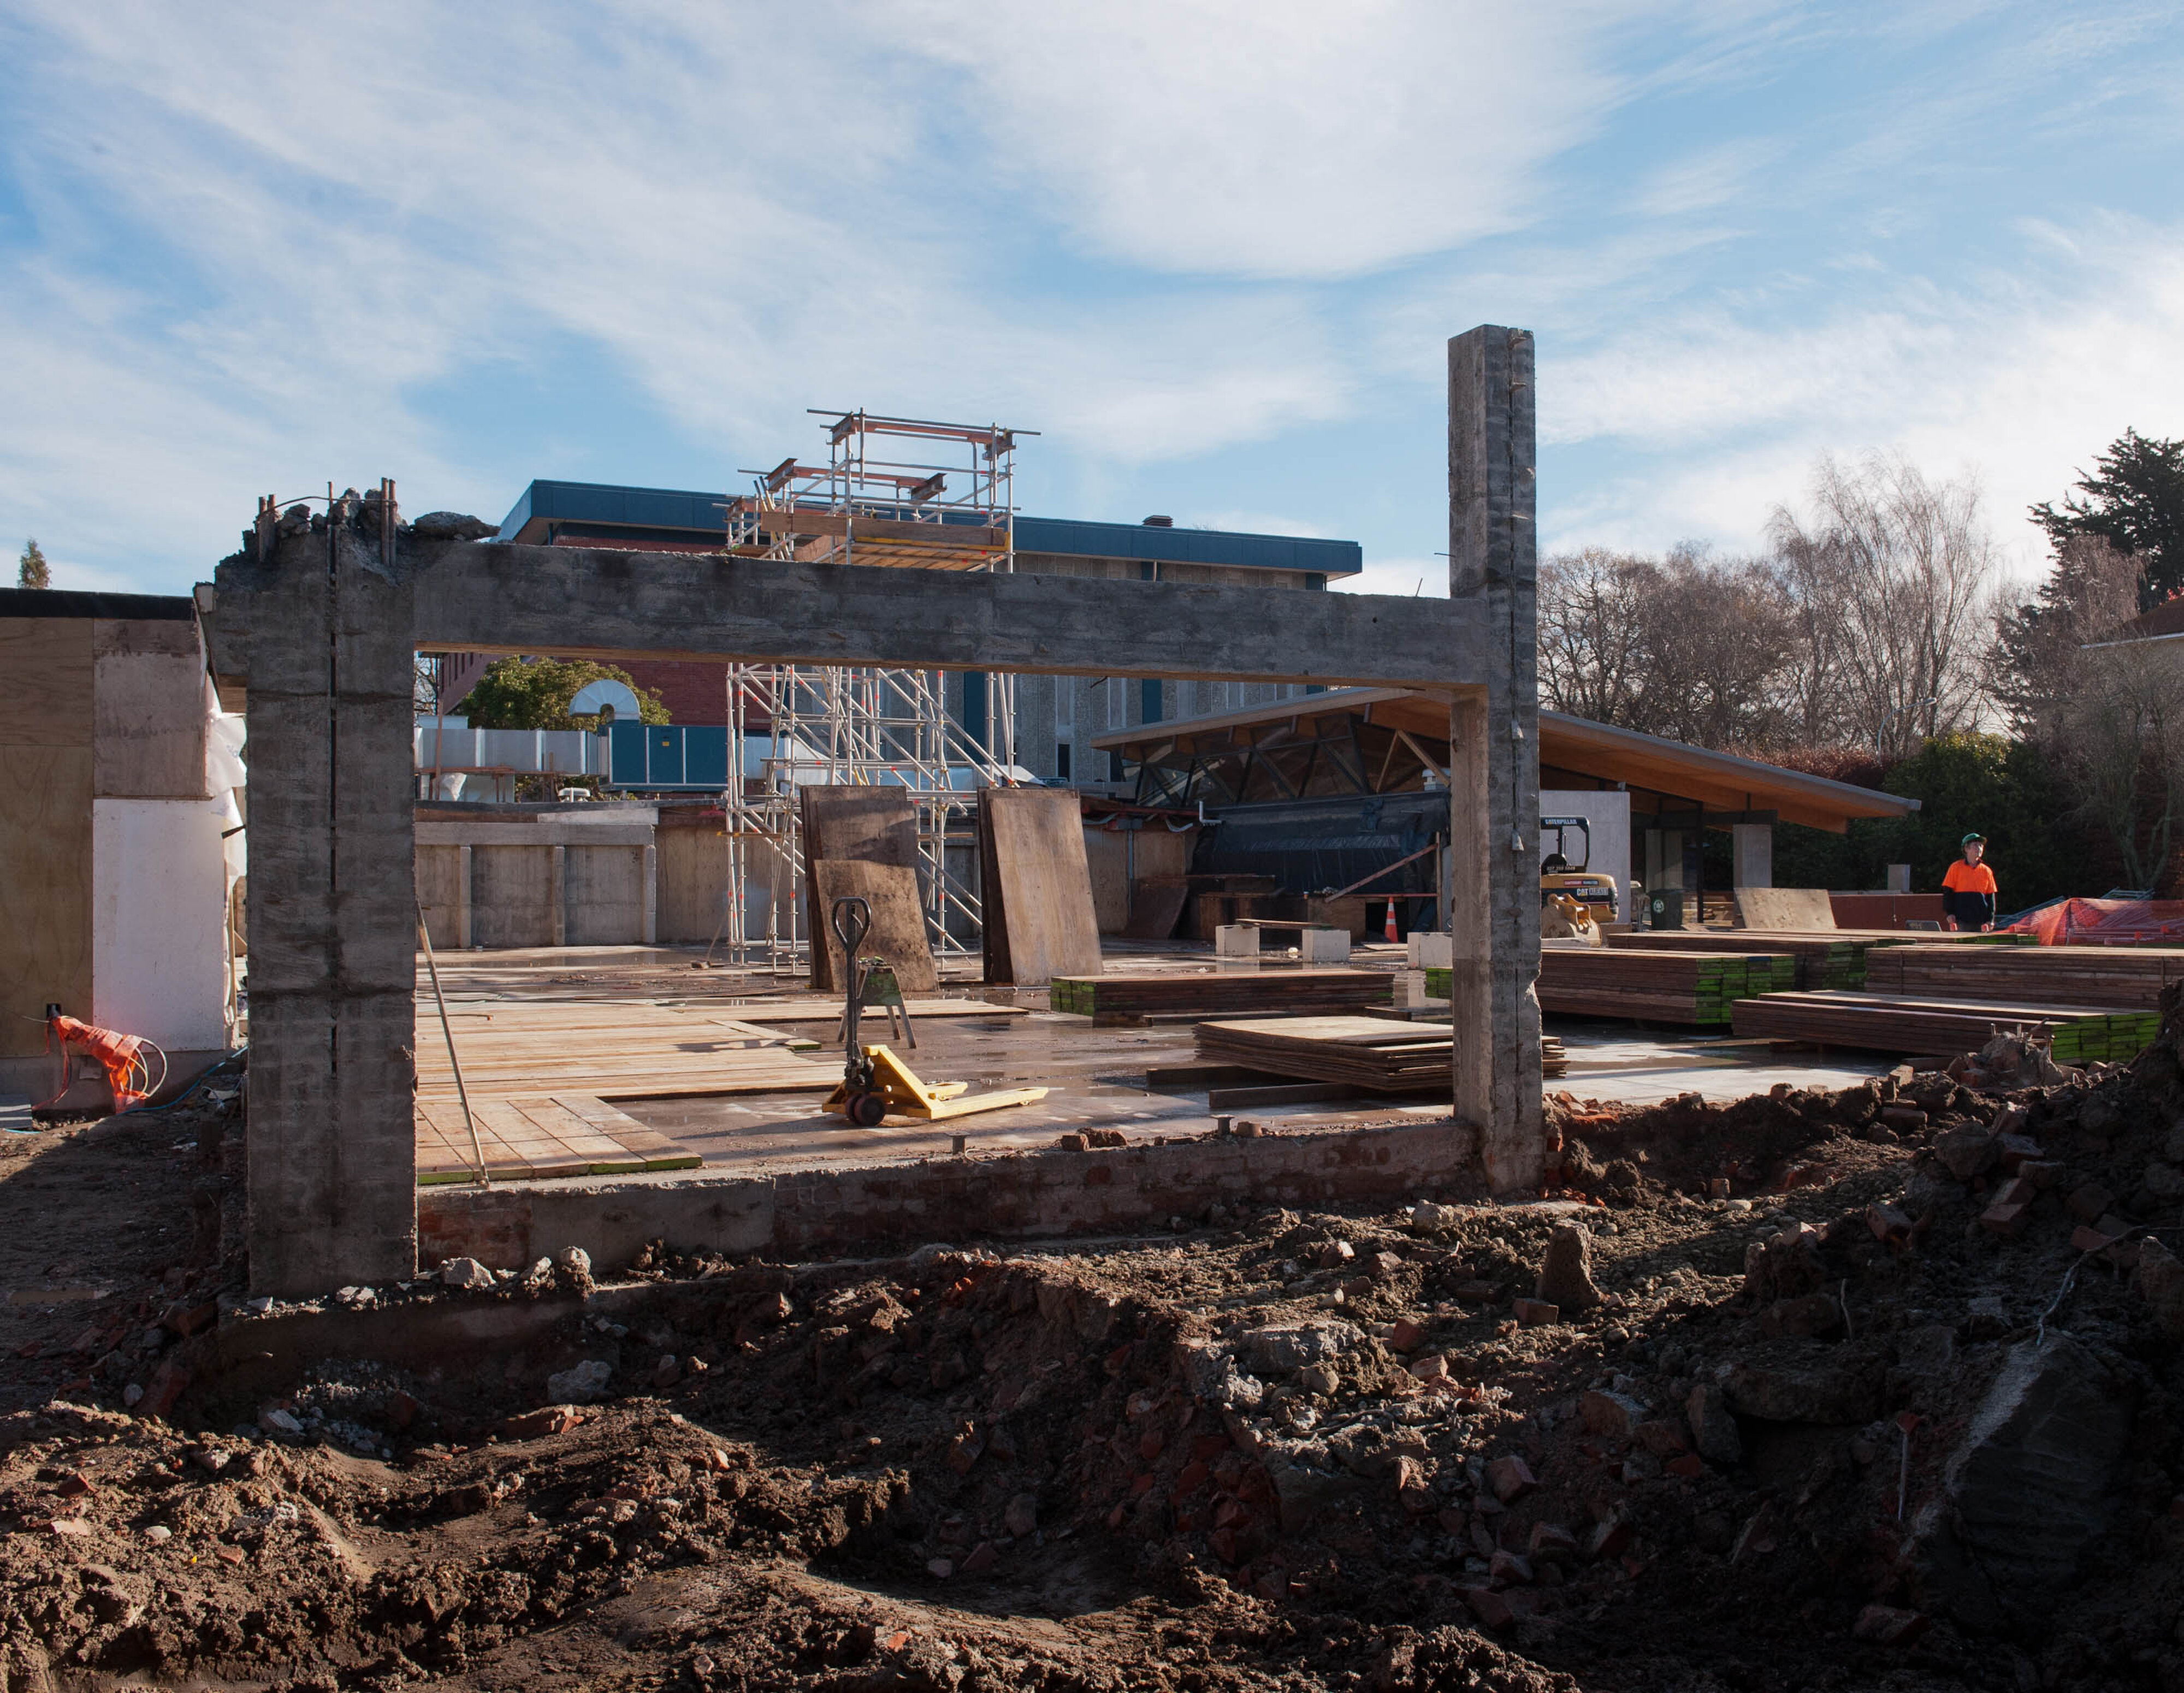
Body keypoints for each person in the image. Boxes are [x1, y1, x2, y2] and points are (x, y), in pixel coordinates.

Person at [1942, 833, 1998, 932]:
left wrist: (1990, 920)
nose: (1979, 848)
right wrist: (1950, 913)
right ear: (1966, 848)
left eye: (1981, 846)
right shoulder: (1955, 868)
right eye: (1975, 845)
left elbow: (1991, 898)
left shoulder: (1987, 871)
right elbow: (1948, 893)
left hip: (1982, 921)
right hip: (1961, 920)